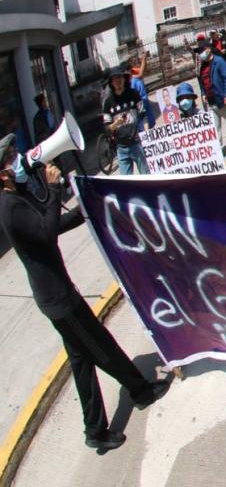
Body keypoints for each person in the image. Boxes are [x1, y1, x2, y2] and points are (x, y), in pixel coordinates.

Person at [0, 138, 169, 451]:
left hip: (57, 295)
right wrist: (52, 190)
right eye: (9, 158)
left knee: (81, 360)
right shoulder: (9, 208)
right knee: (100, 346)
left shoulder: (17, 197)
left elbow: (52, 223)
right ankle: (140, 391)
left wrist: (85, 208)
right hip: (60, 300)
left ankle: (95, 429)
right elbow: (46, 233)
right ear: (3, 176)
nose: (17, 158)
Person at [102, 65, 149, 174]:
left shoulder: (134, 95)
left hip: (137, 144)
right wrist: (116, 124)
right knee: (126, 182)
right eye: (114, 79)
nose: (117, 80)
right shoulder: (108, 103)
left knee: (147, 177)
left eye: (120, 77)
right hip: (121, 148)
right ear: (111, 82)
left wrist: (147, 134)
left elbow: (143, 115)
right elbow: (107, 129)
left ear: (124, 79)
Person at [128, 55, 156, 130]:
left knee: (149, 120)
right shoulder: (129, 76)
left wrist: (145, 61)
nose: (136, 62)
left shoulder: (134, 71)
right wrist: (143, 59)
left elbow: (145, 71)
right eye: (133, 60)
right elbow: (141, 74)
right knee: (142, 121)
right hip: (138, 101)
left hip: (144, 99)